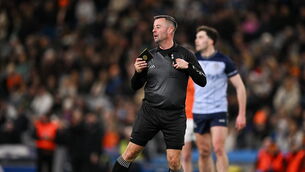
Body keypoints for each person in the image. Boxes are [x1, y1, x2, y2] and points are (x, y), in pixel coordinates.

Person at [112, 15, 206, 172]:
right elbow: (135, 86)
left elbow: (203, 80)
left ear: (170, 30)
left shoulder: (186, 54)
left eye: (158, 27)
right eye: (153, 27)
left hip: (175, 115)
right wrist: (137, 72)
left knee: (174, 162)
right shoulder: (147, 55)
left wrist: (188, 67)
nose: (153, 30)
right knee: (130, 153)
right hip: (150, 112)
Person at [193, 25, 247, 172]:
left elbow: (240, 87)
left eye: (201, 37)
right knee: (204, 152)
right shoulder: (192, 60)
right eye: (196, 37)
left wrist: (241, 114)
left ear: (211, 41)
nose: (196, 40)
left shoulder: (224, 61)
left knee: (218, 148)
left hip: (218, 110)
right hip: (198, 111)